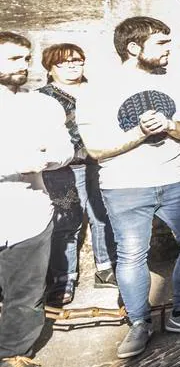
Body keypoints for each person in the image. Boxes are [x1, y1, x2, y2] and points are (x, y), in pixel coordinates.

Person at [77, 17, 180, 359]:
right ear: (133, 48)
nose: (170, 49)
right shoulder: (97, 89)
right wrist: (139, 133)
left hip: (177, 180)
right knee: (131, 256)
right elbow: (96, 149)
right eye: (161, 44)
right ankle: (139, 323)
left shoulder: (176, 82)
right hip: (125, 185)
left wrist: (171, 124)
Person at [0, 32, 71, 367]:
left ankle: (14, 351)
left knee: (25, 291)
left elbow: (64, 148)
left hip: (28, 211)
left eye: (26, 58)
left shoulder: (42, 105)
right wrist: (15, 160)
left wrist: (47, 158)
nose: (23, 65)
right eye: (13, 58)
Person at [38, 42, 115, 302]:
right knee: (67, 222)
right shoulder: (42, 97)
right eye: (64, 62)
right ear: (50, 68)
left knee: (103, 216)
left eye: (77, 60)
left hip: (100, 161)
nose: (72, 65)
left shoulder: (98, 92)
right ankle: (63, 278)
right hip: (63, 168)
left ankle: (106, 268)